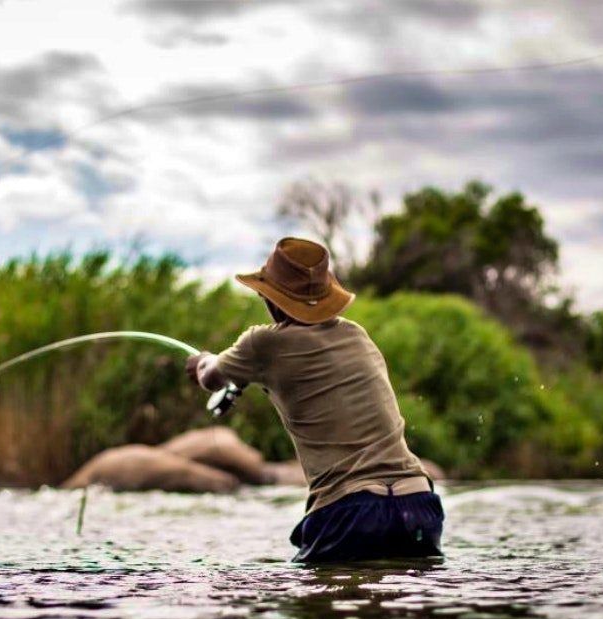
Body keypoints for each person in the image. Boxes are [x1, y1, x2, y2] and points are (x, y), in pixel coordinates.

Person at [186, 237, 444, 563]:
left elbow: (210, 377)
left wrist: (202, 360)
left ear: (272, 299)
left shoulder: (262, 343)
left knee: (319, 604)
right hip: (419, 506)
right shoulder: (357, 335)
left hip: (351, 513)